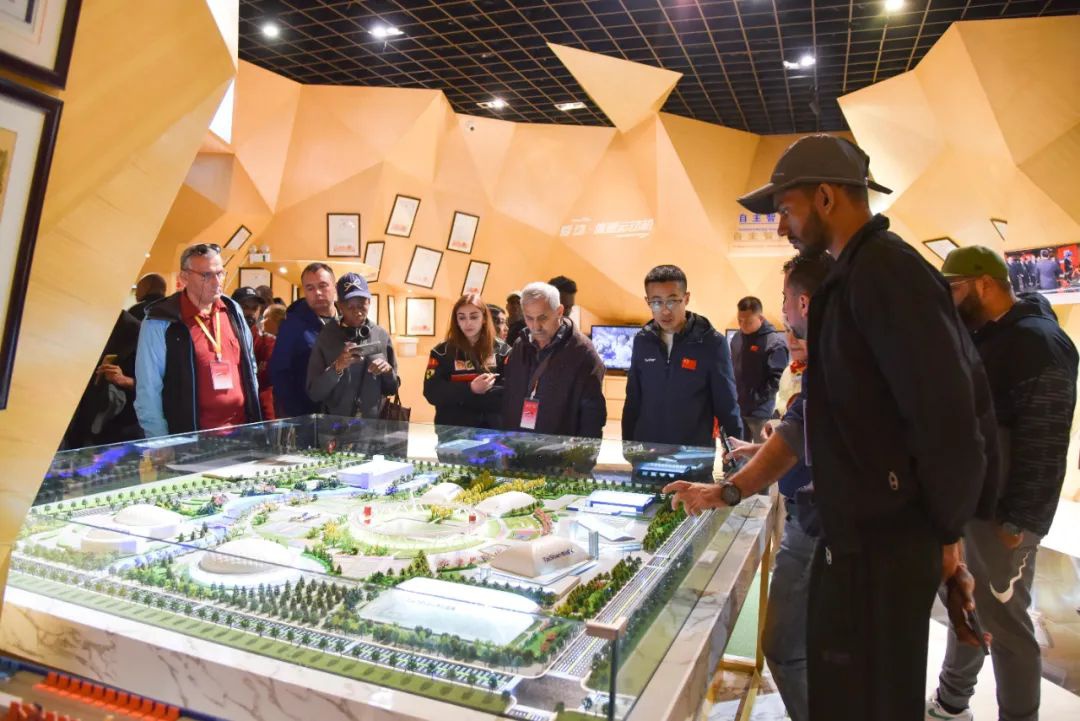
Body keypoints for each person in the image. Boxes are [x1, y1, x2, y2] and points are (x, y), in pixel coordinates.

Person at [729, 134, 991, 721]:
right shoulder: (852, 278)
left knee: (871, 698)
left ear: (826, 197)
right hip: (858, 538)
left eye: (786, 209)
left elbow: (950, 416)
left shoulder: (887, 273)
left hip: (887, 545)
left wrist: (945, 538)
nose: (781, 227)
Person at [664, 252, 834, 721]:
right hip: (814, 516)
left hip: (821, 523)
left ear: (804, 302)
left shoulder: (832, 363)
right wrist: (760, 451)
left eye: (785, 299)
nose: (785, 312)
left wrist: (725, 491)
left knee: (787, 647)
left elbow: (798, 432)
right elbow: (804, 432)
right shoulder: (840, 355)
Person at [926, 246, 1078, 721]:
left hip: (1005, 515)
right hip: (976, 506)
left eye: (953, 288)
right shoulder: (988, 335)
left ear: (984, 284)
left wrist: (1021, 520)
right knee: (967, 605)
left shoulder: (1039, 342)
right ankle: (952, 702)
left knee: (1007, 625)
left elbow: (1046, 439)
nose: (949, 300)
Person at [134, 243, 260, 437]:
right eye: (207, 275)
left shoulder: (233, 310)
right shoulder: (160, 321)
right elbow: (148, 389)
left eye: (220, 273)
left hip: (241, 434)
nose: (217, 282)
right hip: (191, 441)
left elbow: (250, 368)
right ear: (184, 277)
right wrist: (160, 441)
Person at [622, 264, 742, 448]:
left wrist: (735, 453)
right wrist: (628, 444)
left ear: (686, 298)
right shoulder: (643, 340)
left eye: (672, 301)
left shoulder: (711, 343)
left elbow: (726, 405)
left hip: (692, 454)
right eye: (656, 302)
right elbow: (633, 398)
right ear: (648, 301)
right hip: (647, 451)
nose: (665, 311)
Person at [501, 282, 606, 438]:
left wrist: (583, 452)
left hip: (560, 448)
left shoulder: (582, 352)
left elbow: (592, 415)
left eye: (542, 318)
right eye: (529, 318)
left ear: (559, 311)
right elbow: (510, 395)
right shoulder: (520, 345)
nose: (536, 326)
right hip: (519, 443)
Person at [306, 273, 399, 418]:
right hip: (335, 427)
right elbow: (314, 393)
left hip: (372, 427)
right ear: (339, 306)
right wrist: (337, 367)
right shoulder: (326, 336)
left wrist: (388, 372)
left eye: (361, 304)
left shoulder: (381, 335)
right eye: (350, 306)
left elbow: (392, 388)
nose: (357, 311)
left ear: (369, 301)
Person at [424, 295, 510, 431]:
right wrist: (470, 388)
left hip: (492, 431)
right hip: (452, 431)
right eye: (462, 318)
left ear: (484, 319)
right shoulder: (441, 352)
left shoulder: (503, 350)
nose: (468, 323)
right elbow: (432, 392)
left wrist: (462, 397)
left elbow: (509, 392)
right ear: (456, 321)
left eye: (474, 317)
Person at [63, 310, 143, 448]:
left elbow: (160, 384)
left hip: (120, 421)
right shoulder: (84, 321)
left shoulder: (133, 329)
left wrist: (124, 380)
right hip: (84, 412)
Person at [269, 263, 337, 418]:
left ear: (335, 287)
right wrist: (297, 416)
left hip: (346, 414)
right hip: (309, 416)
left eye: (323, 286)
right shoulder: (292, 326)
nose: (317, 292)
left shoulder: (348, 321)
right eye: (310, 288)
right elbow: (280, 373)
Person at [730, 296, 788, 441]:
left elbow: (777, 379)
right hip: (738, 409)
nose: (743, 325)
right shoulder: (736, 338)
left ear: (760, 318)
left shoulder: (774, 343)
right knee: (738, 451)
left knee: (761, 452)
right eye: (740, 320)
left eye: (748, 322)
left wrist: (757, 398)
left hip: (761, 413)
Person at [232, 287, 275, 421]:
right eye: (245, 307)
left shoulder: (267, 342)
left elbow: (267, 389)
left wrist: (269, 422)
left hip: (257, 415)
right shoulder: (221, 339)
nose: (250, 313)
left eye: (254, 308)